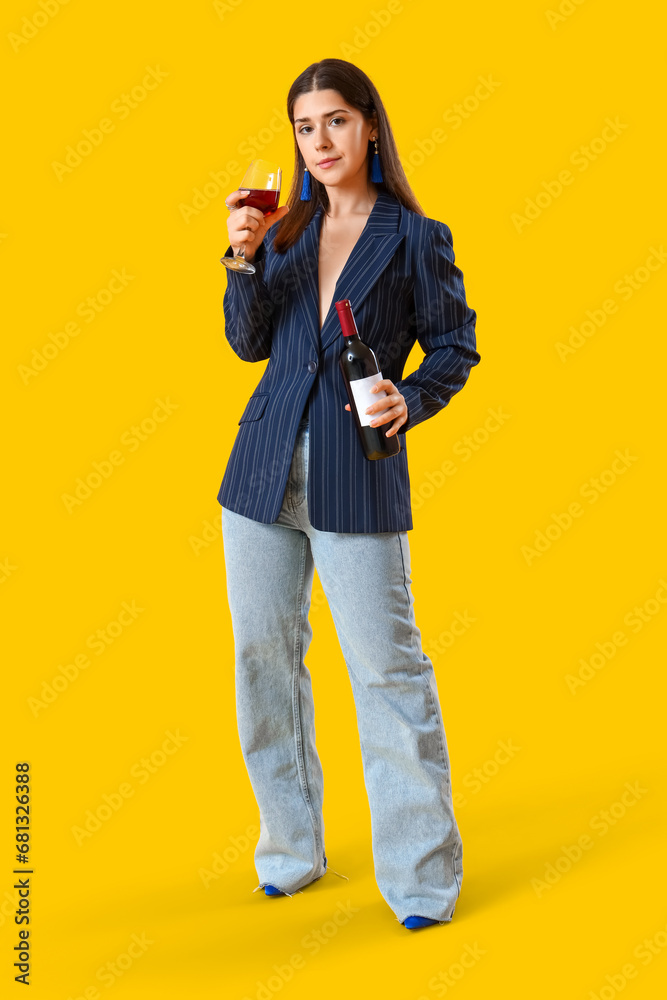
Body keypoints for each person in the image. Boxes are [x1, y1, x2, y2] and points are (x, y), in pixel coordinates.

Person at [217, 58, 480, 930]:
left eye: (334, 121)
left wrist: (415, 395)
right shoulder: (283, 233)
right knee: (264, 664)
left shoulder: (414, 237)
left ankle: (420, 882)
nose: (319, 141)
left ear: (369, 125)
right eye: (303, 127)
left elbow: (455, 346)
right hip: (259, 474)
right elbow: (249, 346)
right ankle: (290, 854)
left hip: (354, 471)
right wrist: (241, 263)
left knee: (387, 670)